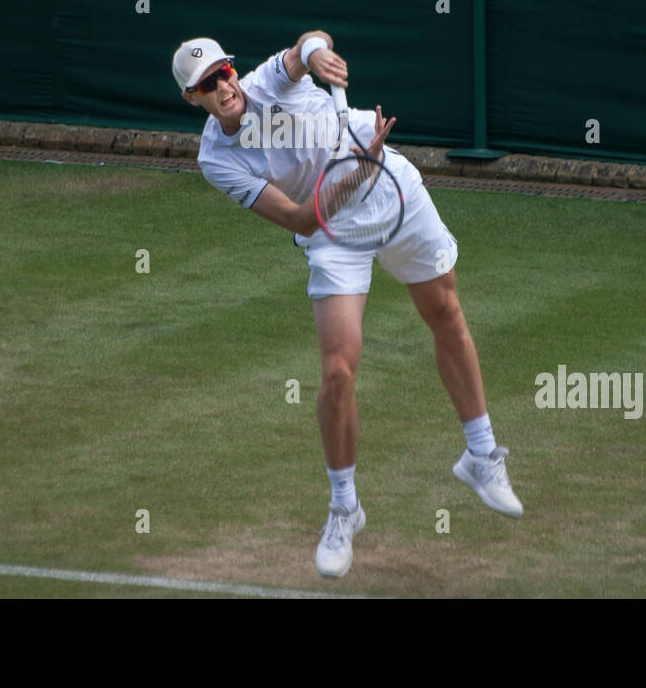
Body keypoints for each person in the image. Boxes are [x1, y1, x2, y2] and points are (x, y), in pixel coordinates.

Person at [174, 32, 523, 579]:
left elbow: (306, 44)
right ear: (192, 98)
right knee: (337, 371)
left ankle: (480, 456)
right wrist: (358, 169)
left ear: (234, 72)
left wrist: (317, 55)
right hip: (333, 228)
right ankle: (344, 508)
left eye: (224, 72)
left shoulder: (269, 81)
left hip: (393, 190)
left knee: (445, 314)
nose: (222, 86)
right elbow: (299, 220)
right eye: (206, 84)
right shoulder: (216, 159)